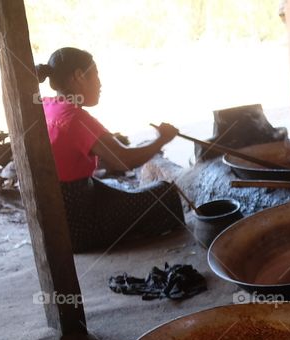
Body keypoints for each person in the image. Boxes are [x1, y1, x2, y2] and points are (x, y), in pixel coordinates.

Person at [36, 47, 184, 252]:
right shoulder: (75, 118)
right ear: (79, 76)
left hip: (55, 220)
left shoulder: (45, 105)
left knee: (122, 192)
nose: (100, 83)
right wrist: (161, 140)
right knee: (165, 195)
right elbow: (122, 160)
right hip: (77, 228)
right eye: (95, 74)